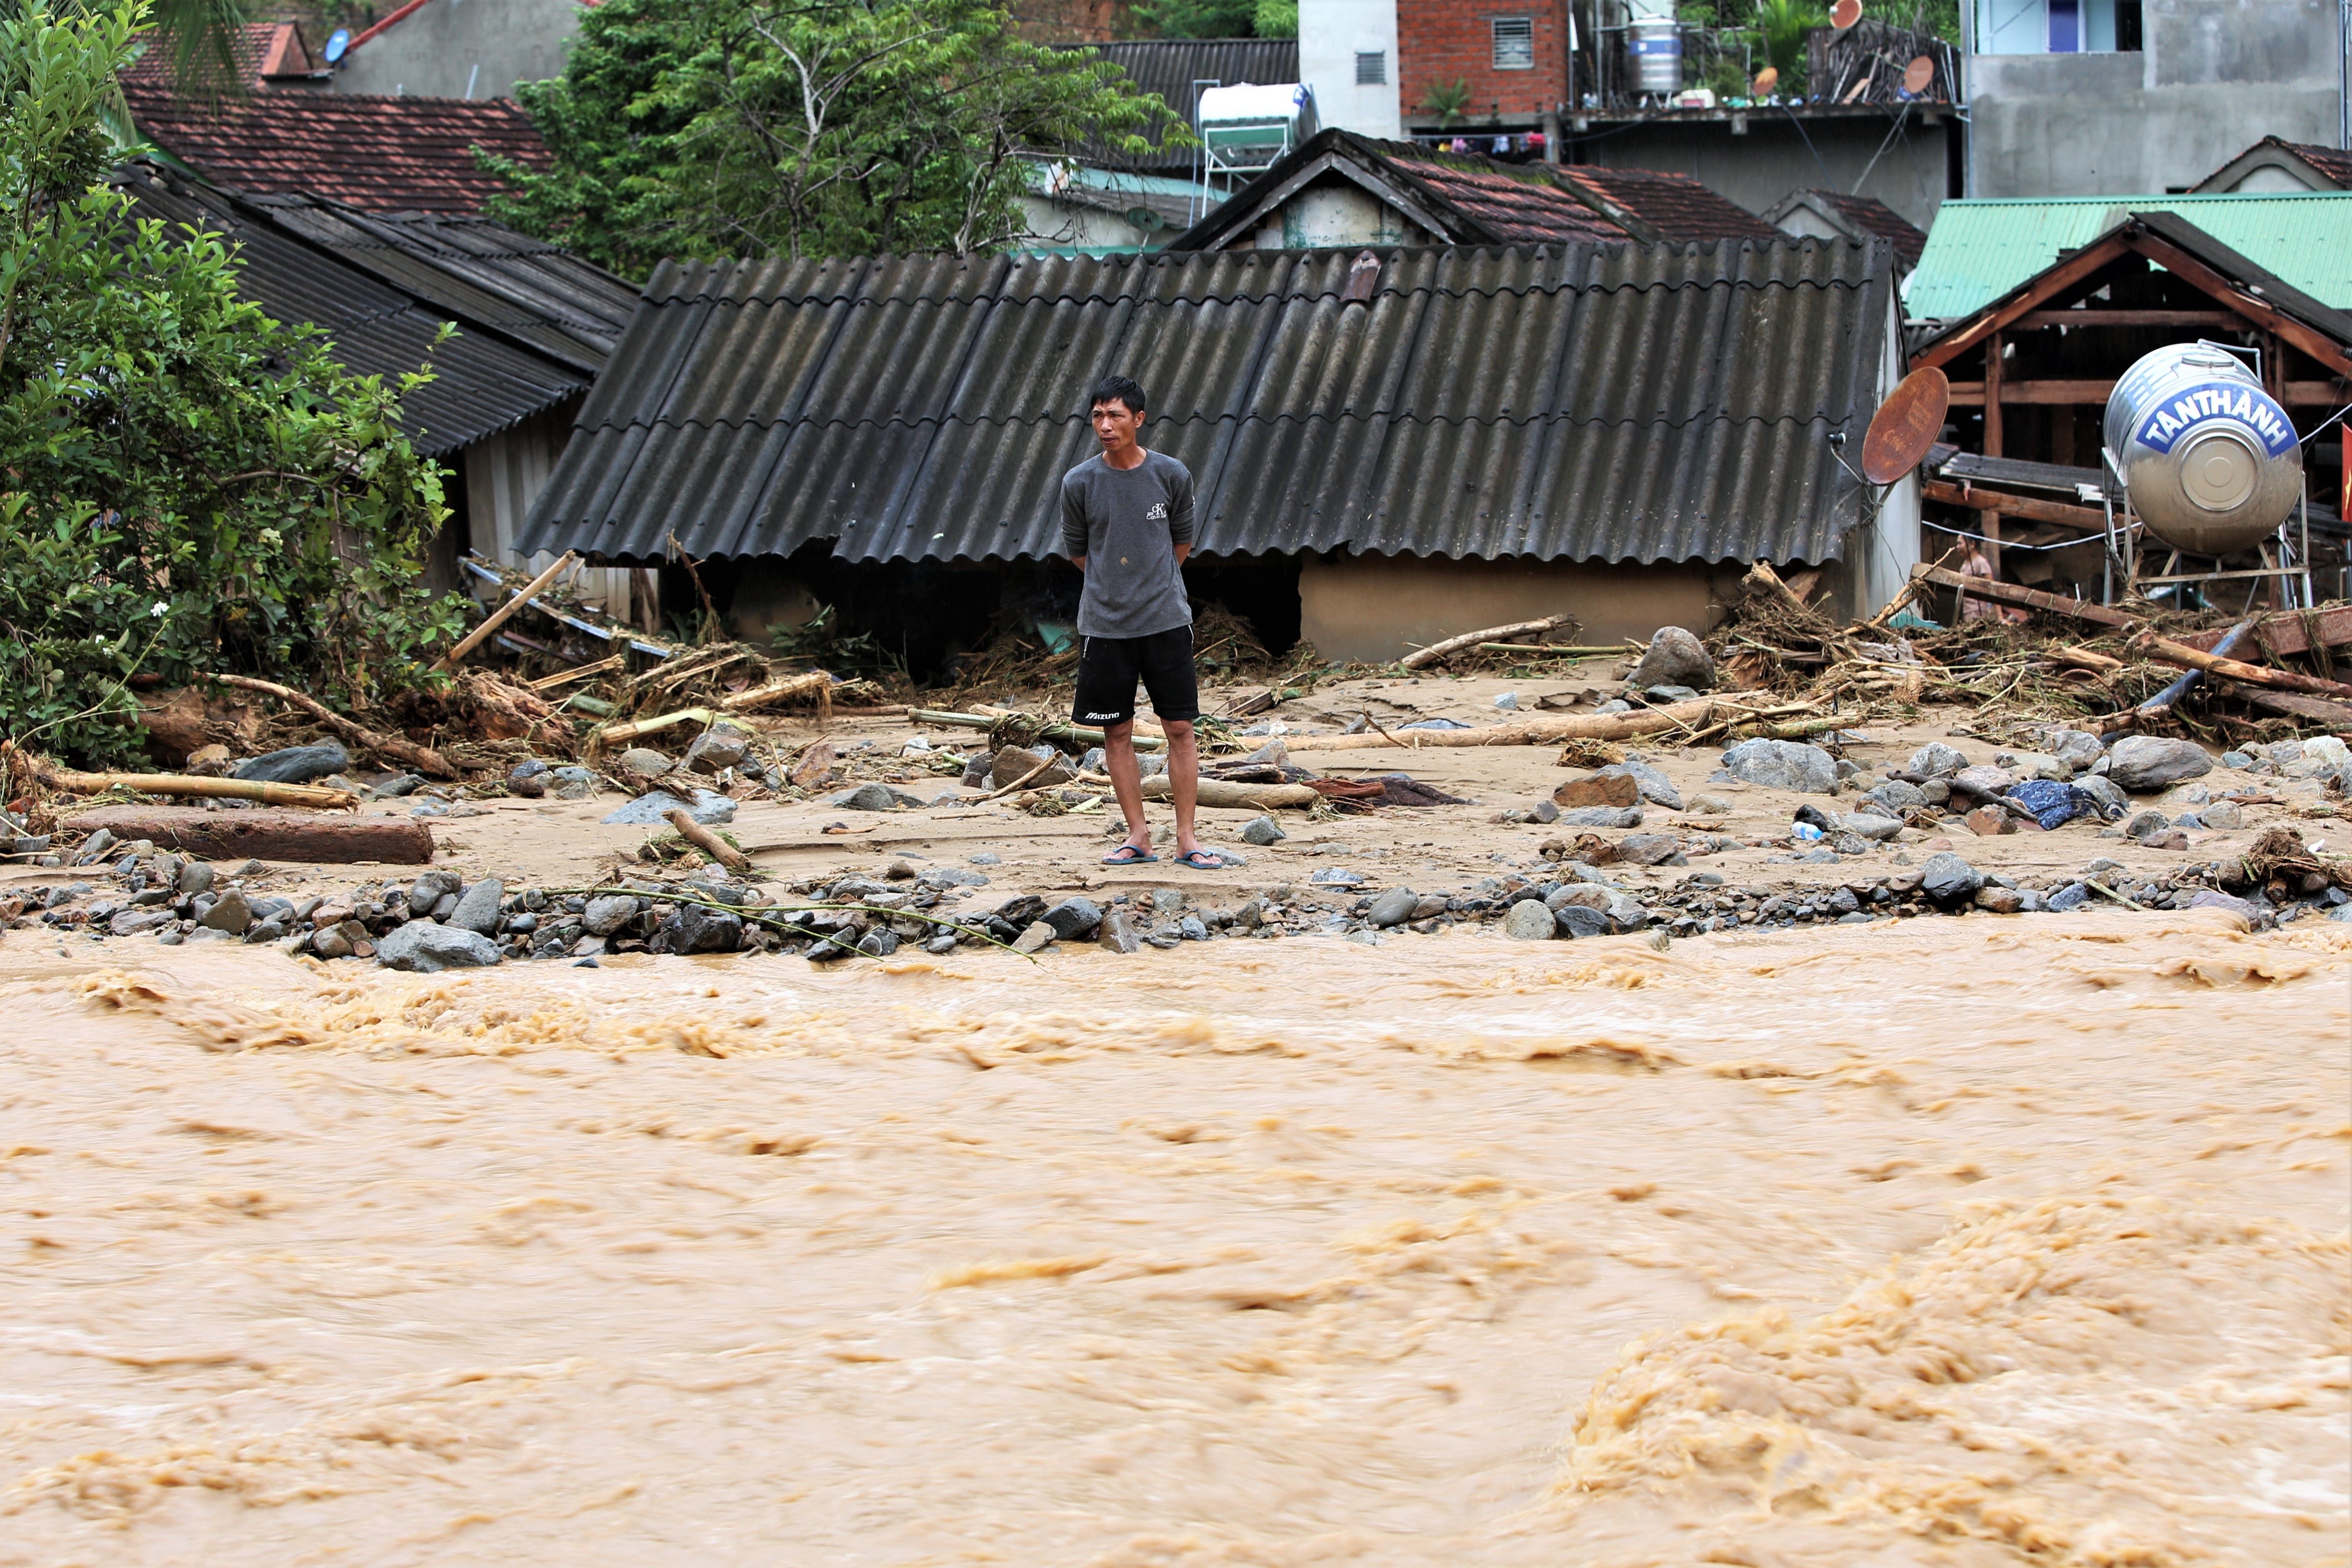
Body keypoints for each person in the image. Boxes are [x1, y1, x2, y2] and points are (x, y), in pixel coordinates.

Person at [1059, 375, 1217, 870]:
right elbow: (1080, 553)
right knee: (1117, 733)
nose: (1105, 426)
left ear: (1139, 420)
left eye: (1116, 416)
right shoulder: (1079, 482)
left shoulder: (1171, 475)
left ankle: (1187, 838)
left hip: (1166, 619)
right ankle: (1138, 835)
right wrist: (1115, 588)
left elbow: (1181, 546)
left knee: (1179, 728)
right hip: (1105, 626)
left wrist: (1151, 584)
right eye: (1098, 416)